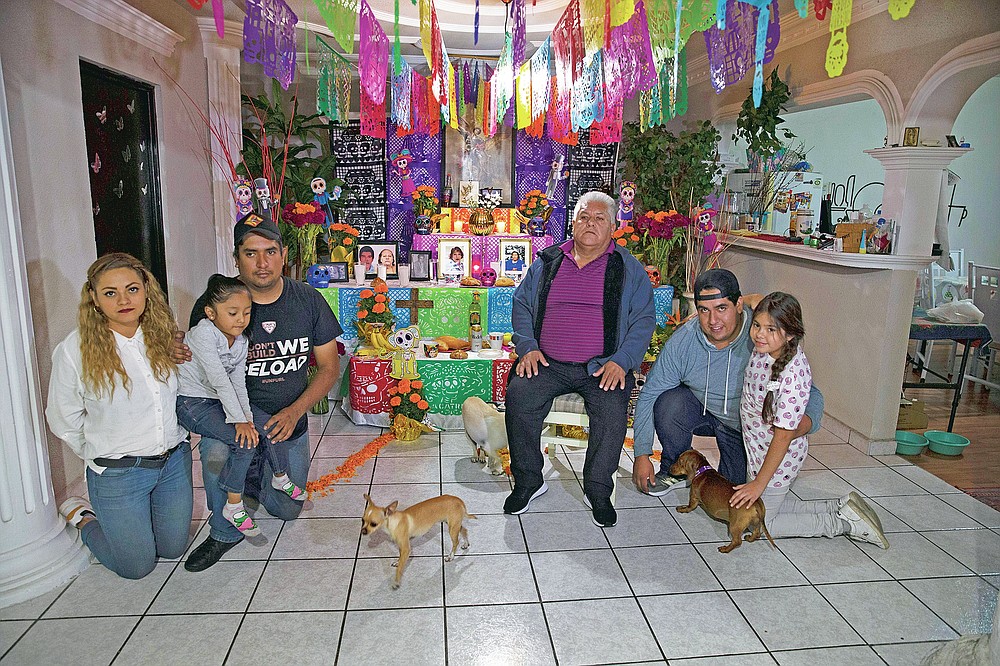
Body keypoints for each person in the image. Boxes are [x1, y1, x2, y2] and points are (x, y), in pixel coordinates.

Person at [181, 213, 342, 571]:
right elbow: (199, 365)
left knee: (287, 510)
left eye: (270, 251)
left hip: (286, 422)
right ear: (236, 258)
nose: (262, 262)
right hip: (231, 418)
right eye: (250, 253)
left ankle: (253, 480)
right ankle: (223, 531)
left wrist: (295, 411)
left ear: (284, 254)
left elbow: (329, 367)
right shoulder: (214, 302)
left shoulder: (308, 300)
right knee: (217, 452)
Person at [504, 191, 655, 527]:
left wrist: (623, 360)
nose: (591, 223)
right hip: (548, 362)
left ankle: (598, 488)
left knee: (612, 407)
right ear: (573, 223)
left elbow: (644, 320)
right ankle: (530, 479)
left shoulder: (628, 268)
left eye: (600, 218)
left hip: (603, 365)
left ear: (613, 226)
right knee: (519, 396)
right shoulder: (548, 261)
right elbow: (522, 305)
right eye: (584, 217)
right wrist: (527, 346)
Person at [46, 253, 192, 579]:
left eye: (132, 289)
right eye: (110, 292)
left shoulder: (163, 336)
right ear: (94, 300)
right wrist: (98, 452)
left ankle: (136, 525)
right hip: (118, 474)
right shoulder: (75, 350)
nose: (124, 300)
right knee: (136, 567)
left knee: (172, 548)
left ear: (146, 292)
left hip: (172, 463)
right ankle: (84, 518)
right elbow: (62, 417)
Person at [632, 268, 824, 496]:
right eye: (704, 310)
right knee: (668, 402)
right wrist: (641, 455)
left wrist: (801, 425)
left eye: (722, 308)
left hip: (745, 431)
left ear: (739, 305)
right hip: (703, 410)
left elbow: (810, 393)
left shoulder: (761, 335)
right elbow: (648, 394)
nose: (713, 320)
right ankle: (676, 469)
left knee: (729, 496)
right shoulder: (684, 341)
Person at [729, 292, 888, 548]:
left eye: (771, 329)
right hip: (758, 449)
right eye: (757, 325)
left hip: (779, 458)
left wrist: (759, 483)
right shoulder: (769, 347)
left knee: (762, 522)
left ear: (790, 334)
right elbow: (755, 300)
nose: (759, 334)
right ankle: (840, 506)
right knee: (769, 505)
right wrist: (741, 301)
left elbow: (783, 435)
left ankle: (844, 524)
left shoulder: (792, 375)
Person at [176, 275, 306, 539]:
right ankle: (233, 506)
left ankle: (279, 477)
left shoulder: (240, 339)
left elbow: (237, 382)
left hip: (219, 398)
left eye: (247, 313)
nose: (241, 319)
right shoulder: (203, 333)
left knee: (266, 425)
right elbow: (219, 379)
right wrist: (240, 422)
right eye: (233, 312)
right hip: (193, 402)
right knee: (243, 441)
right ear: (211, 313)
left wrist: (246, 416)